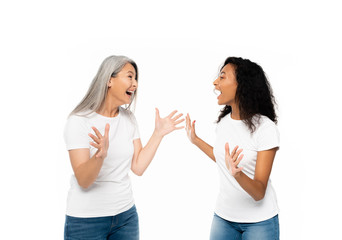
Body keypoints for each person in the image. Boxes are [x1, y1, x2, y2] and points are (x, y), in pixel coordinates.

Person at [63, 55, 184, 239]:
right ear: (109, 80)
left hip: (125, 216)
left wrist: (158, 134)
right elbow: (84, 180)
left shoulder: (128, 119)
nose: (135, 84)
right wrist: (99, 157)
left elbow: (138, 166)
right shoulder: (79, 121)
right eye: (130, 76)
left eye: (136, 79)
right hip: (86, 220)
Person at [186, 57, 280, 239]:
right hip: (224, 219)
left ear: (242, 85)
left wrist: (238, 175)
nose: (215, 82)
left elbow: (259, 192)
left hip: (259, 222)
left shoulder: (266, 128)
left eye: (222, 77)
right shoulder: (224, 123)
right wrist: (196, 140)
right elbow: (222, 158)